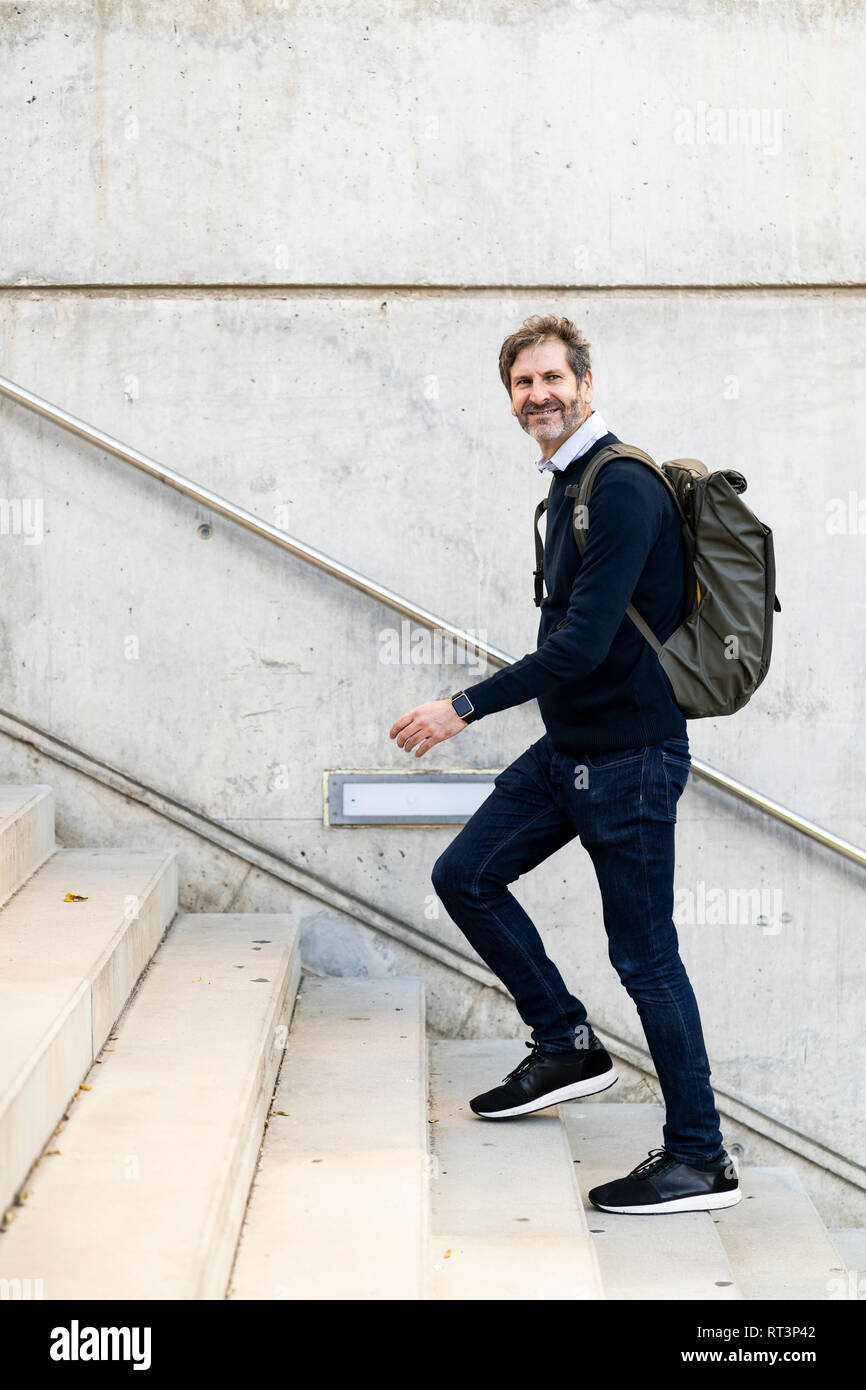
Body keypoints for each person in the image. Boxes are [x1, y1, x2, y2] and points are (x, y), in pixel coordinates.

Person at [388, 314, 740, 1214]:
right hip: (572, 751)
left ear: (586, 381)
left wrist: (462, 705)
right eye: (522, 384)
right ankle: (566, 1043)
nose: (538, 395)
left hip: (630, 760)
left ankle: (700, 1156)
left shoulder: (619, 488)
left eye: (552, 379)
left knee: (647, 960)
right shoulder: (567, 484)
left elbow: (580, 646)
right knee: (466, 874)